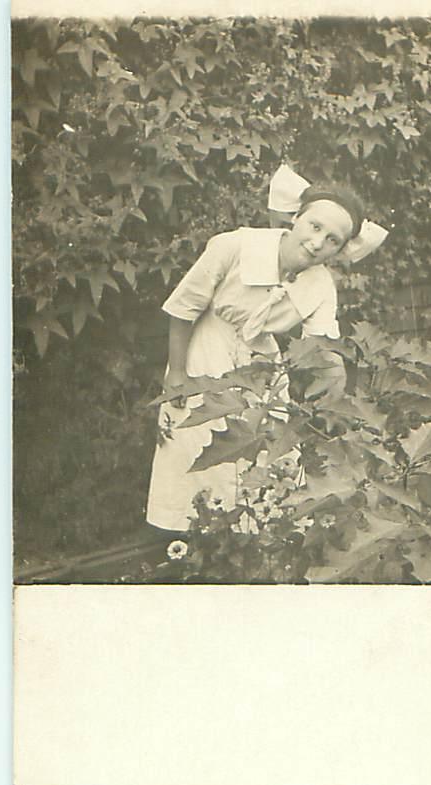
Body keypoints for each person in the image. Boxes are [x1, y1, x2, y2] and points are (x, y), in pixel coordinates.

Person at [146, 176, 385, 533]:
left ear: (339, 250)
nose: (317, 242)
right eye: (314, 226)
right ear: (295, 218)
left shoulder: (320, 284)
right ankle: (189, 550)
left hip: (263, 367)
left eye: (332, 240)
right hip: (204, 354)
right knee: (195, 448)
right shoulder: (235, 247)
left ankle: (251, 547)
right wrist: (177, 377)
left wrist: (336, 411)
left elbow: (325, 352)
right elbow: (183, 310)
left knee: (268, 452)